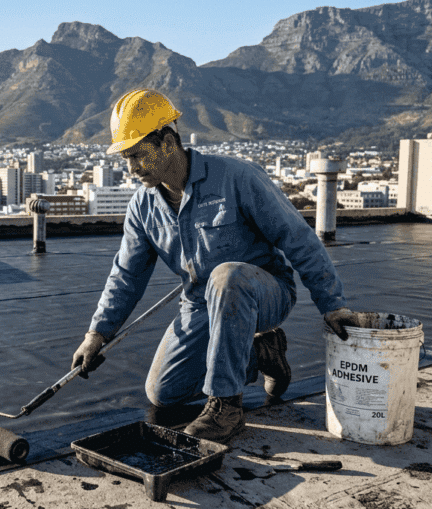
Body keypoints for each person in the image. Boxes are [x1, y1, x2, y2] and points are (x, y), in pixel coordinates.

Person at [71, 89, 360, 444]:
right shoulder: (142, 208)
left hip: (263, 293)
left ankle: (226, 407)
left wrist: (332, 304)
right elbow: (126, 275)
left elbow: (297, 237)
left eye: (138, 156)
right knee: (163, 392)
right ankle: (261, 353)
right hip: (201, 304)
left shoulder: (236, 178)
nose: (132, 169)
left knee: (227, 277)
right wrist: (96, 334)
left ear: (166, 141)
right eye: (126, 158)